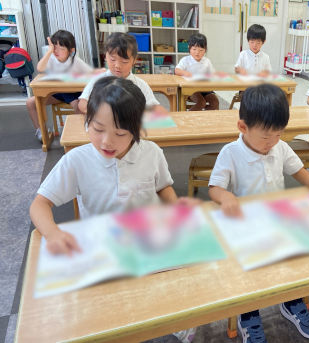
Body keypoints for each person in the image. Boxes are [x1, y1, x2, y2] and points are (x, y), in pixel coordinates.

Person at [208, 84, 309, 343]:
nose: (272, 142)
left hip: (278, 220)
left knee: (292, 259)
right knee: (250, 270)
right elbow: (215, 188)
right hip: (246, 226)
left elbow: (299, 171)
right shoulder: (230, 153)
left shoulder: (279, 147)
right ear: (243, 127)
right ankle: (248, 315)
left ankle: (292, 302)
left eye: (279, 135)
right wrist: (226, 196)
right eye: (266, 137)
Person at [30, 76, 197, 256]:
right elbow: (40, 204)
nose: (107, 142)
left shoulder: (152, 152)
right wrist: (53, 233)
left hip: (148, 241)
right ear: (87, 122)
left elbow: (163, 188)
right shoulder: (76, 160)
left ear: (137, 129)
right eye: (98, 129)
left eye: (120, 133)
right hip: (102, 247)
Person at [27, 30, 93, 141]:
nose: (56, 51)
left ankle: (82, 133)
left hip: (74, 94)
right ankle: (41, 131)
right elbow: (40, 68)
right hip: (57, 94)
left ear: (71, 51)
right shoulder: (51, 59)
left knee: (79, 107)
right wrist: (49, 52)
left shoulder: (75, 61)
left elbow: (90, 77)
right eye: (54, 47)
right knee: (30, 103)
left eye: (61, 48)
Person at [77, 32, 167, 114]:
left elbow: (155, 108)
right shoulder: (98, 80)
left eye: (124, 61)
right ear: (105, 56)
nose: (117, 65)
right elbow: (83, 104)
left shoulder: (140, 85)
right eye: (112, 59)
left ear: (134, 60)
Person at [175, 33, 219, 111]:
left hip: (205, 88)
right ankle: (189, 117)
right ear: (189, 48)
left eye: (201, 50)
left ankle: (203, 118)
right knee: (201, 103)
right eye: (194, 49)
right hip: (192, 89)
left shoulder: (207, 61)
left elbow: (213, 74)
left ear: (205, 50)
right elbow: (177, 70)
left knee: (215, 103)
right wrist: (186, 73)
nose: (197, 52)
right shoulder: (185, 60)